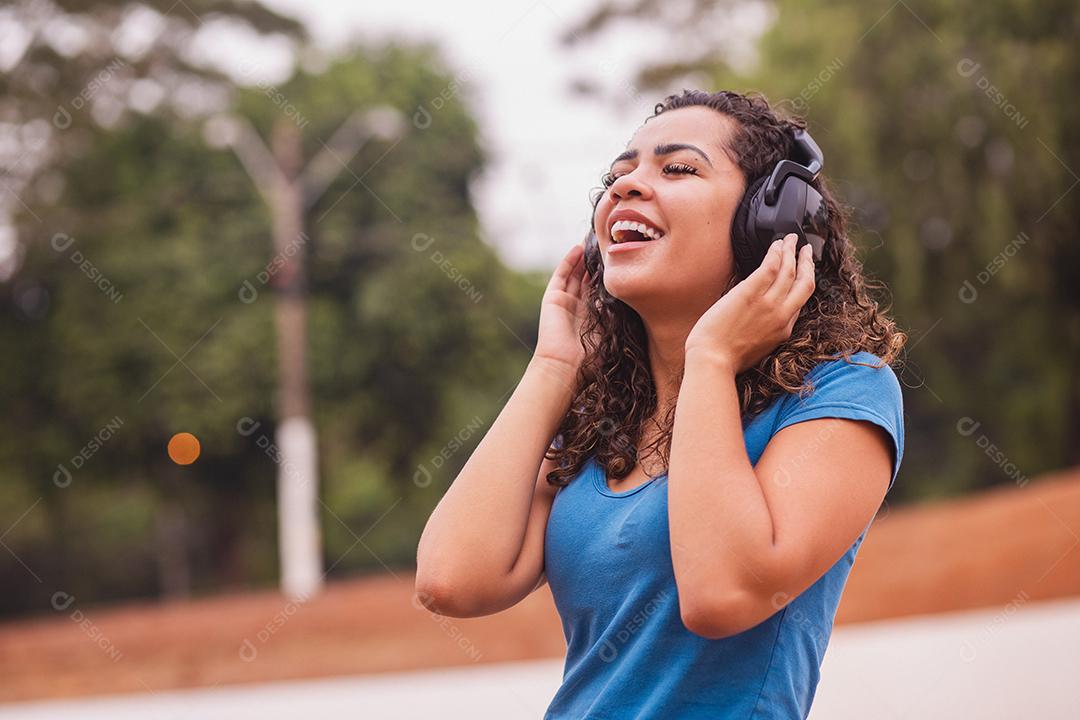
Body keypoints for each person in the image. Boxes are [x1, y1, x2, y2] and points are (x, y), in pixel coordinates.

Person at [415, 88, 907, 719]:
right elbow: (452, 580)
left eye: (677, 169)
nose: (627, 188)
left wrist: (710, 360)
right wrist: (553, 367)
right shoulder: (602, 418)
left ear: (770, 220)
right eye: (618, 177)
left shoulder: (843, 389)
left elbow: (722, 593)